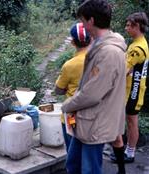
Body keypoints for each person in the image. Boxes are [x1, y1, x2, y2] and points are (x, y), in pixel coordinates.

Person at [60, 0, 127, 174]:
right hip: (86, 120)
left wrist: (67, 105)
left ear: (91, 21)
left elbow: (92, 94)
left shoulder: (109, 52)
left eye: (83, 20)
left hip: (96, 123)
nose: (82, 25)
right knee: (73, 164)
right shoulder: (99, 44)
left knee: (89, 169)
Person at [111, 12, 149, 169]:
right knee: (130, 121)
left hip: (133, 90)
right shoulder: (138, 43)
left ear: (137, 26)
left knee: (132, 122)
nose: (126, 28)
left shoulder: (138, 48)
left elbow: (124, 70)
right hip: (133, 88)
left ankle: (130, 153)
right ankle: (127, 150)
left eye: (128, 25)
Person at [55, 22, 91, 152]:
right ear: (91, 38)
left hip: (72, 117)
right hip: (93, 115)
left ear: (72, 43)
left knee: (72, 151)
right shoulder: (99, 59)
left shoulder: (69, 65)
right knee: (89, 153)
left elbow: (58, 90)